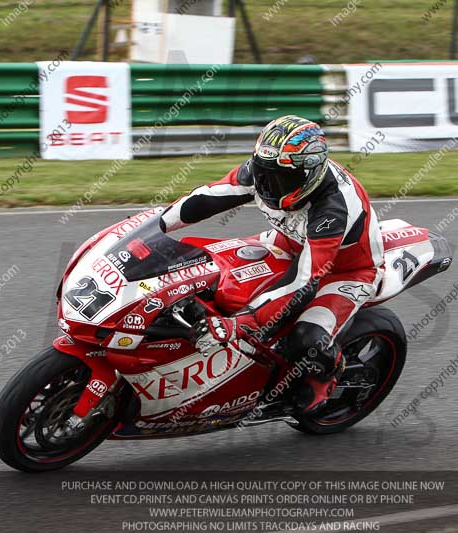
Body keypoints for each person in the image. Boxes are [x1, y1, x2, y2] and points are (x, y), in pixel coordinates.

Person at [161, 115, 384, 414]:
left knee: (305, 338)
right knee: (208, 275)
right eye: (264, 172)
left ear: (309, 175)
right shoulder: (261, 171)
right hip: (287, 242)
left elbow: (305, 279)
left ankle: (329, 373)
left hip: (345, 270)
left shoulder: (332, 208)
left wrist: (237, 324)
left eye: (282, 179)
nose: (268, 185)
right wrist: (156, 224)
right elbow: (207, 197)